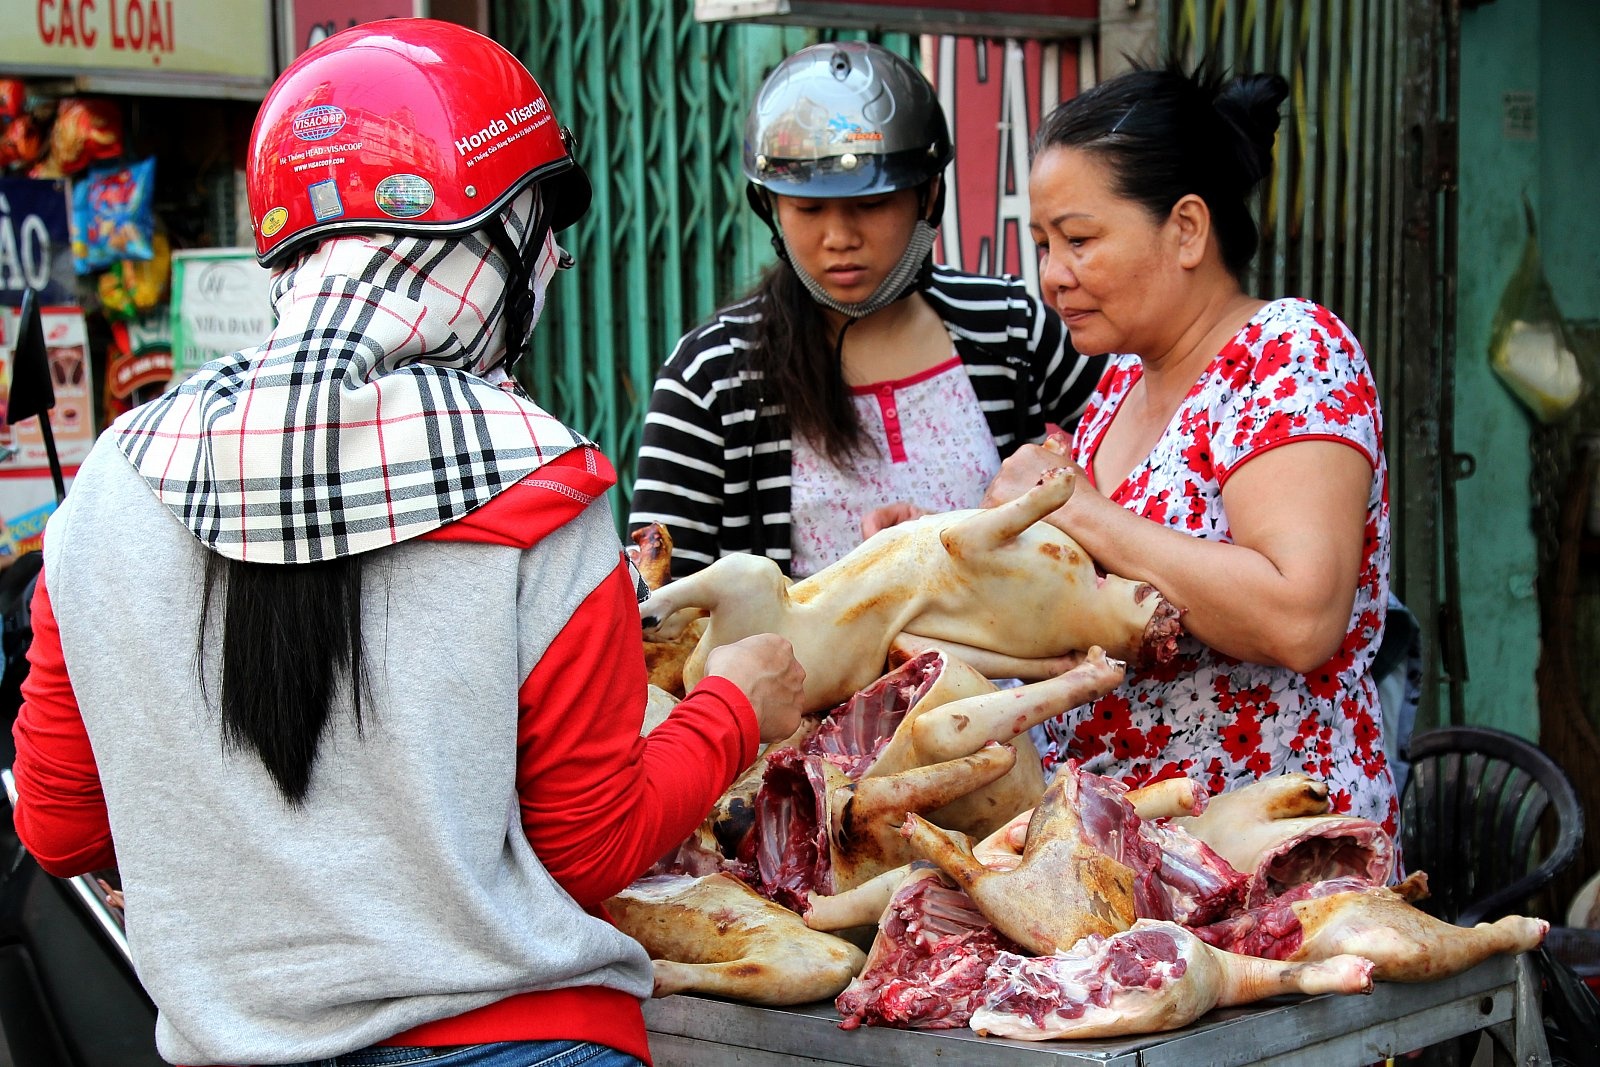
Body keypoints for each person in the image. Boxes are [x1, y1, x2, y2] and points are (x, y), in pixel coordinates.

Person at [8, 21, 804, 1067]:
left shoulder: (111, 485)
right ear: (497, 242)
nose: (554, 261)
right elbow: (591, 844)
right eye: (538, 230)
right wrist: (734, 704)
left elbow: (61, 827)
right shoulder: (537, 475)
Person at [984, 59, 1398, 829]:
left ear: (1186, 229)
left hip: (1265, 846)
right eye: (1042, 244)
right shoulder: (1122, 383)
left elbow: (1299, 618)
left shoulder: (1287, 351)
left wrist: (1080, 510)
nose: (1052, 276)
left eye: (1078, 239)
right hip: (1136, 846)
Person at [628, 41, 1106, 579]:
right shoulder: (710, 377)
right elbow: (656, 594)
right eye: (808, 208)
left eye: (871, 205)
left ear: (928, 195)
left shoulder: (1012, 327)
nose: (839, 237)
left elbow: (1139, 486)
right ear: (770, 207)